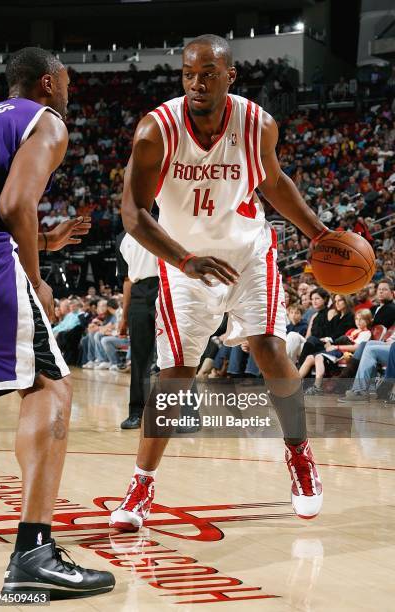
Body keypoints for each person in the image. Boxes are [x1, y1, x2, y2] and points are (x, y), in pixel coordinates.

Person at [111, 34, 328, 530]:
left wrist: (317, 233)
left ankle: (299, 455)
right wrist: (185, 261)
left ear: (230, 76)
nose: (196, 82)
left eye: (208, 73)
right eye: (189, 73)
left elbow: (273, 182)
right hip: (184, 261)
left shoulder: (258, 124)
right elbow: (133, 212)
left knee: (270, 348)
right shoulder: (155, 131)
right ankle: (142, 483)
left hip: (247, 252)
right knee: (175, 377)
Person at [0, 47, 114, 598]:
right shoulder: (48, 122)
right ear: (47, 82)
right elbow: (16, 204)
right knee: (50, 388)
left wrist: (43, 238)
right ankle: (34, 553)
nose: (70, 89)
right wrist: (35, 274)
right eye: (67, 80)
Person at [119, 231, 159, 429]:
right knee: (139, 358)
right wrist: (124, 316)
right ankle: (136, 412)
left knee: (178, 355)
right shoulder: (121, 238)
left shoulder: (165, 222)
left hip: (166, 288)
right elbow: (127, 279)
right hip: (138, 293)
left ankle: (187, 413)